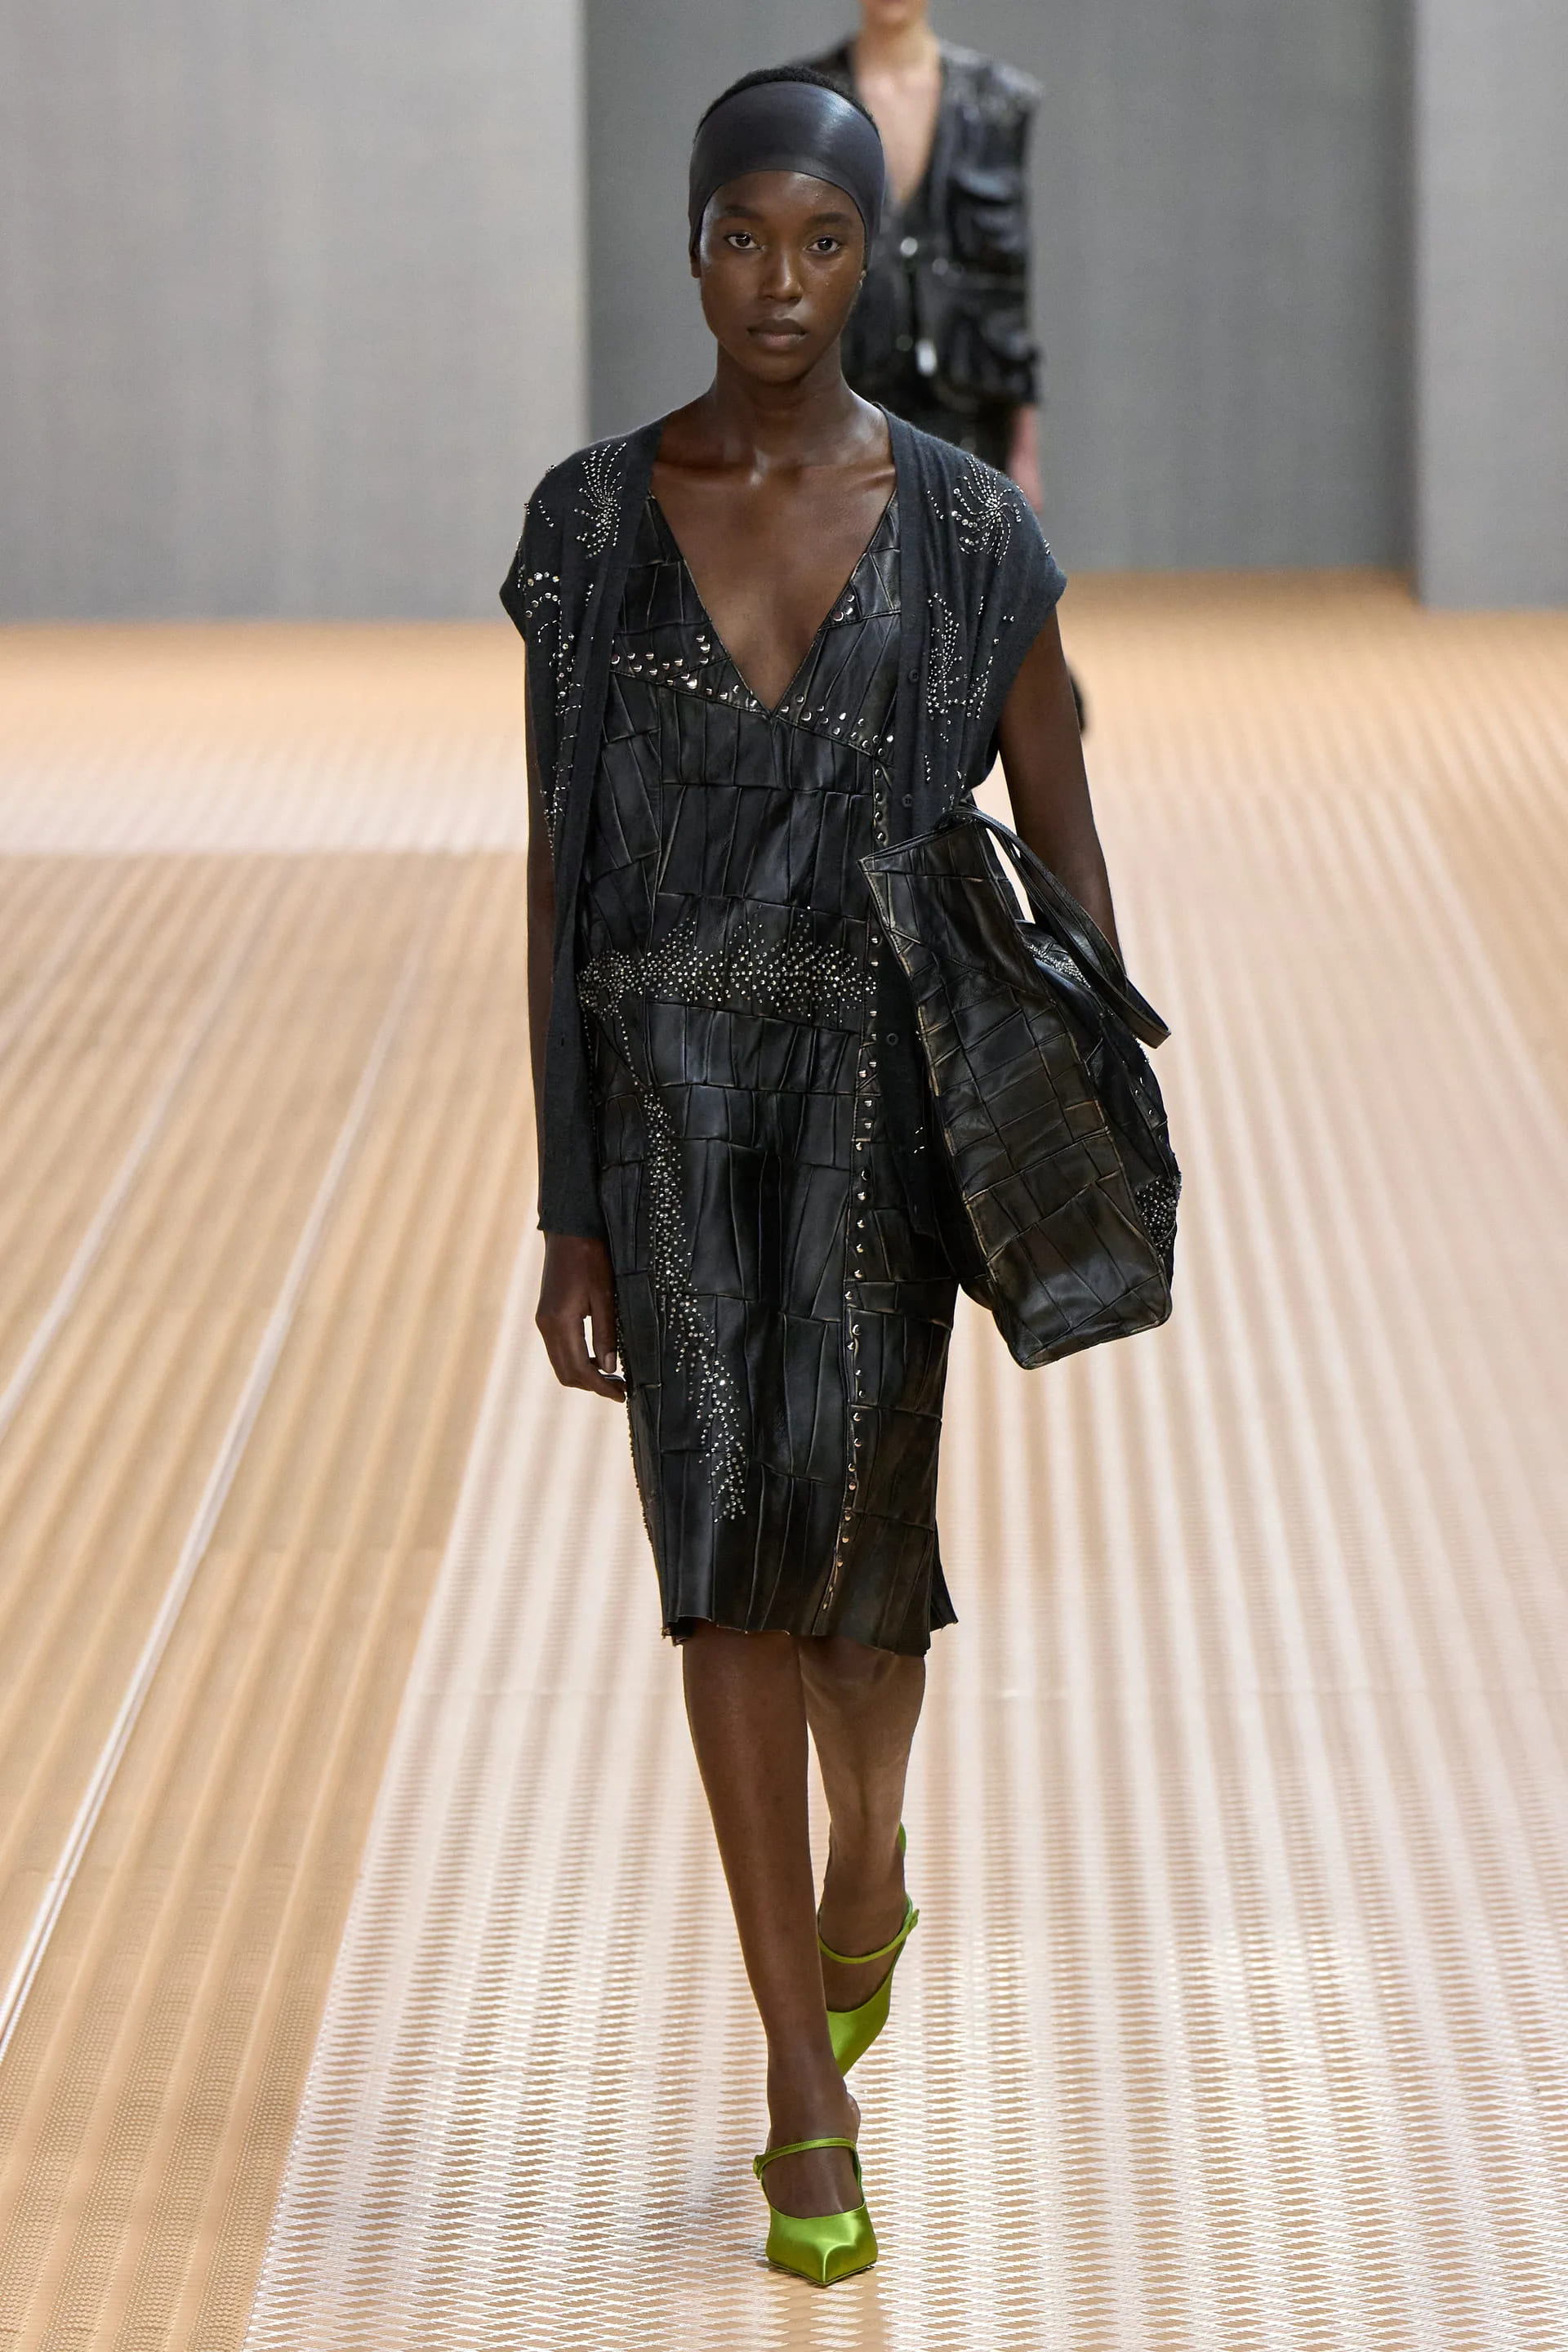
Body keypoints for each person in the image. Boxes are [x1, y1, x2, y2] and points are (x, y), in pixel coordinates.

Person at [501, 67, 1118, 2287]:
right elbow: (557, 874)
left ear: (874, 257)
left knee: (859, 1602)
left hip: (877, 1118)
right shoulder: (589, 527)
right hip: (666, 1103)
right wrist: (570, 1201)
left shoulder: (965, 534)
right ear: (691, 245)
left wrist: (1069, 1122)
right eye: (743, 236)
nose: (779, 281)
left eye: (823, 241)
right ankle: (796, 2079)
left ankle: (872, 1858)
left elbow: (1062, 833)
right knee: (720, 1580)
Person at [804, 2, 1044, 507]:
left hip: (971, 404)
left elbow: (1007, 276)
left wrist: (1025, 448)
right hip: (842, 401)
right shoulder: (808, 101)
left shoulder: (996, 102)